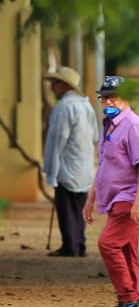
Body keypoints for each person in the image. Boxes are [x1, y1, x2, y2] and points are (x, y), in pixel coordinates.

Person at [84, 75, 139, 307]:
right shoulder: (109, 125)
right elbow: (104, 165)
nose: (108, 102)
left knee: (108, 244)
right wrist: (91, 199)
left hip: (128, 197)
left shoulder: (135, 126)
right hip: (114, 199)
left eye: (113, 97)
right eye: (104, 98)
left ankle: (129, 300)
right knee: (126, 252)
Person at [41, 67, 96, 257]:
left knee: (66, 207)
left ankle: (69, 245)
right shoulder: (85, 105)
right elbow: (95, 134)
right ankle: (79, 244)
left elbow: (58, 139)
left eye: (54, 84)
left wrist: (52, 170)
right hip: (84, 164)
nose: (52, 88)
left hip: (66, 164)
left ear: (64, 85)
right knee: (80, 206)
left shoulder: (64, 107)